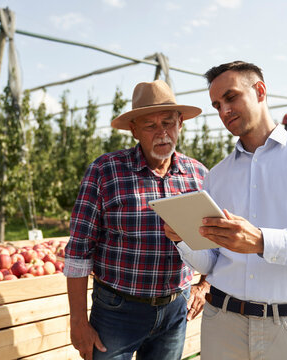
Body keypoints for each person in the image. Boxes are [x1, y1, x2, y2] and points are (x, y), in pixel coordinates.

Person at [165, 61, 287, 360]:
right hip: (222, 322)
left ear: (260, 91)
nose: (224, 111)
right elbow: (211, 261)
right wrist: (182, 238)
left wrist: (262, 241)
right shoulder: (217, 176)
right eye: (217, 105)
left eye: (231, 97)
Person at [64, 79, 210, 360]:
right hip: (117, 310)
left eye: (168, 123)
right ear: (133, 130)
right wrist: (78, 321)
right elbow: (78, 251)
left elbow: (216, 240)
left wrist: (204, 285)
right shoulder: (105, 172)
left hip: (174, 310)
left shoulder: (198, 175)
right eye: (150, 126)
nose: (162, 133)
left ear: (180, 122)